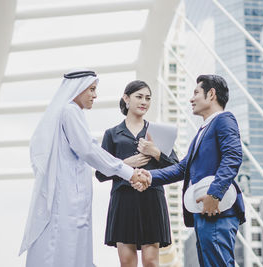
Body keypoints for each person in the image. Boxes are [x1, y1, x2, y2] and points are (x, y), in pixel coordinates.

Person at [19, 70, 150, 267]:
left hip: (68, 196)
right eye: (92, 89)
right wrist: (129, 172)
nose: (95, 95)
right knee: (67, 250)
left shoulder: (67, 112)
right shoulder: (70, 111)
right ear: (78, 89)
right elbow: (89, 150)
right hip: (67, 199)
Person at [140, 75, 245, 266]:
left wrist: (214, 194)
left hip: (216, 209)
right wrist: (148, 175)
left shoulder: (224, 120)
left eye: (196, 92)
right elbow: (182, 168)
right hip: (204, 211)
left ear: (211, 94)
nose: (191, 99)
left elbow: (233, 157)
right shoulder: (203, 131)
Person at [95, 80, 178, 267]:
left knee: (151, 262)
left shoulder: (157, 132)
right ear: (126, 98)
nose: (144, 102)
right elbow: (100, 173)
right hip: (123, 199)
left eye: (148, 98)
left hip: (152, 199)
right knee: (127, 262)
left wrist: (155, 152)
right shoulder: (112, 134)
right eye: (139, 97)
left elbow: (176, 167)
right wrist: (124, 164)